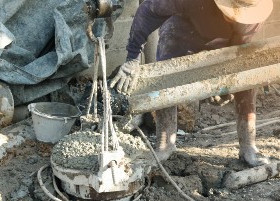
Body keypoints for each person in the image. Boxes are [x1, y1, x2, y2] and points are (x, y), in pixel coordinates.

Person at [110, 0, 274, 167]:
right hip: (184, 28)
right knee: (166, 75)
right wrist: (132, 58)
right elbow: (147, 11)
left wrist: (225, 82)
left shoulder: (256, 11)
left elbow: (240, 46)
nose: (235, 18)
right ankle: (164, 145)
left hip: (225, 39)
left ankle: (248, 147)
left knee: (246, 70)